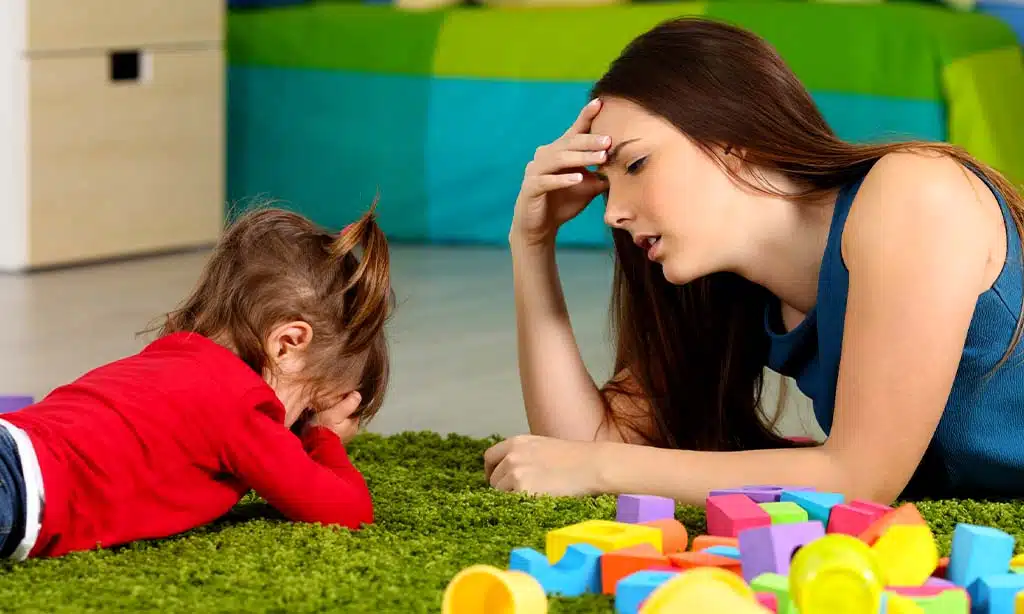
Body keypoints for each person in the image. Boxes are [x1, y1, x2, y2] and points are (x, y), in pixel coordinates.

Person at [484, 17, 1024, 506]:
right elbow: (577, 449)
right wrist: (531, 245)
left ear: (734, 139)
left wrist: (600, 468)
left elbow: (861, 480)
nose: (613, 214)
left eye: (637, 163)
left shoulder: (916, 193)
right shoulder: (732, 289)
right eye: (606, 188)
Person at [0, 203, 393, 560]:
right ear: (287, 344)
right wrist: (323, 438)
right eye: (307, 408)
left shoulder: (171, 356)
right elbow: (348, 512)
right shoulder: (242, 407)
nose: (291, 431)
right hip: (16, 490)